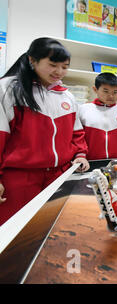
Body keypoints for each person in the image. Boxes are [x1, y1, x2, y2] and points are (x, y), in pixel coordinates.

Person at [0, 37, 89, 225]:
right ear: (32, 60)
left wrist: (80, 154)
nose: (59, 72)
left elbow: (76, 133)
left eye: (64, 66)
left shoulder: (67, 96)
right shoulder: (8, 88)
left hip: (59, 176)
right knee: (16, 234)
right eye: (52, 65)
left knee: (51, 230)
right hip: (19, 179)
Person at [79, 72, 117, 160]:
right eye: (106, 91)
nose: (111, 96)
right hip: (90, 163)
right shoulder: (83, 109)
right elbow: (78, 138)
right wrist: (80, 156)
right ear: (95, 89)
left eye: (115, 92)